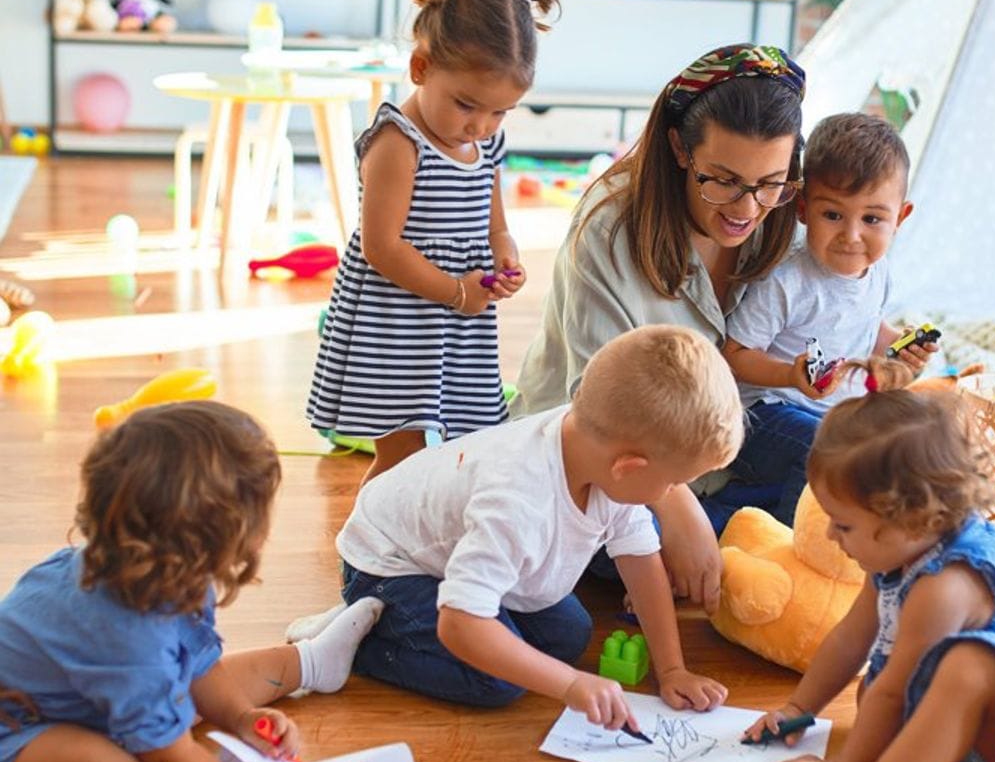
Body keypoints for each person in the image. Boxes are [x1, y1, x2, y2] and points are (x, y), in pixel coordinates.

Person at [0, 402, 387, 762]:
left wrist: (241, 717)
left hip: (89, 696)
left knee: (200, 676)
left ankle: (313, 661)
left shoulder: (164, 571)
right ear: (218, 535)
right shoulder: (128, 642)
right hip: (18, 731)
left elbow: (200, 663)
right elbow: (170, 758)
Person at [291, 326, 740, 727]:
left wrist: (673, 669)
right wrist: (569, 685)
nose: (677, 492)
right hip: (388, 562)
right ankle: (357, 639)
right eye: (676, 482)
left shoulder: (598, 446)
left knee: (568, 636)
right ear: (628, 467)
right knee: (495, 681)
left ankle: (390, 619)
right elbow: (461, 624)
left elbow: (642, 565)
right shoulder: (518, 500)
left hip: (446, 547)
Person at [511, 43, 805, 610]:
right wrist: (677, 508)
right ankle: (719, 560)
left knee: (835, 457)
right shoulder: (609, 227)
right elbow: (596, 411)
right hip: (614, 461)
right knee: (597, 531)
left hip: (716, 449)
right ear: (678, 148)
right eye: (722, 180)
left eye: (771, 182)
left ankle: (706, 563)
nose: (747, 209)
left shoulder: (782, 210)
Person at [744, 362, 995, 762]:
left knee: (967, 667)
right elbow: (849, 640)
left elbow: (894, 695)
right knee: (878, 681)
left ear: (911, 517)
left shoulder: (945, 585)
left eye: (844, 525)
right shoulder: (899, 551)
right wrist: (800, 709)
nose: (832, 536)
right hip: (992, 737)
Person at [306, 0, 557, 482]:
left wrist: (504, 255)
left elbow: (495, 220)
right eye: (467, 104)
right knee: (402, 452)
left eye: (500, 111)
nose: (481, 126)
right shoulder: (400, 143)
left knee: (464, 444)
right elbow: (381, 247)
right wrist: (456, 290)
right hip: (396, 321)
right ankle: (367, 549)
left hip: (457, 321)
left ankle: (422, 532)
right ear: (420, 67)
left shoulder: (487, 142)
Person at [722, 112, 933, 525]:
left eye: (872, 219)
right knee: (825, 450)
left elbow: (866, 327)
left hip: (834, 415)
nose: (851, 236)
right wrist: (790, 376)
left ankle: (754, 509)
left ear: (900, 218)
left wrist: (899, 349)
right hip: (763, 413)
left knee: (906, 440)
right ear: (803, 209)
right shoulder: (789, 278)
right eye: (833, 215)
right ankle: (789, 549)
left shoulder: (879, 271)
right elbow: (734, 353)